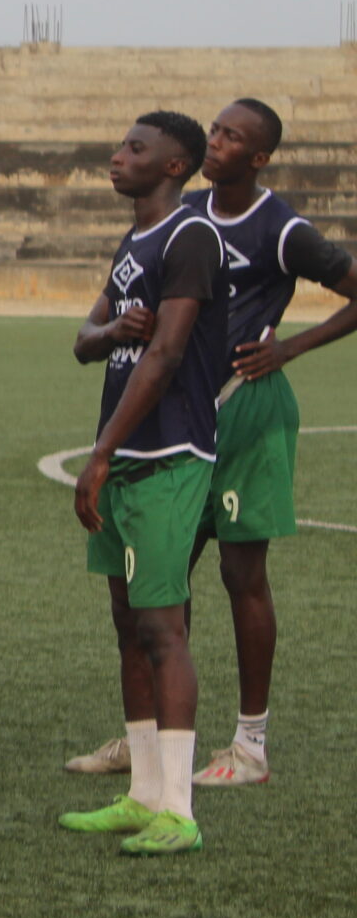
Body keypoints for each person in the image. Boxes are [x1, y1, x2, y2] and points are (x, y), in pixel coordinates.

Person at [65, 98, 357, 787]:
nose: (218, 142)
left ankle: (250, 744)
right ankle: (157, 740)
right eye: (216, 131)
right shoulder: (182, 215)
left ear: (258, 158)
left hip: (246, 410)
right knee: (160, 576)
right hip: (182, 411)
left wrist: (289, 347)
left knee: (241, 573)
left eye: (234, 137)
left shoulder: (280, 227)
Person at [58, 113, 226, 858]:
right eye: (121, 144)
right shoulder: (135, 242)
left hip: (167, 452)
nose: (117, 155)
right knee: (128, 626)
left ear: (175, 164)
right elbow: (85, 340)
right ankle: (142, 795)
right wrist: (111, 331)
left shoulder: (190, 236)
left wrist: (100, 452)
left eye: (135, 148)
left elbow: (166, 354)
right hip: (126, 456)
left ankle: (180, 810)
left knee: (163, 628)